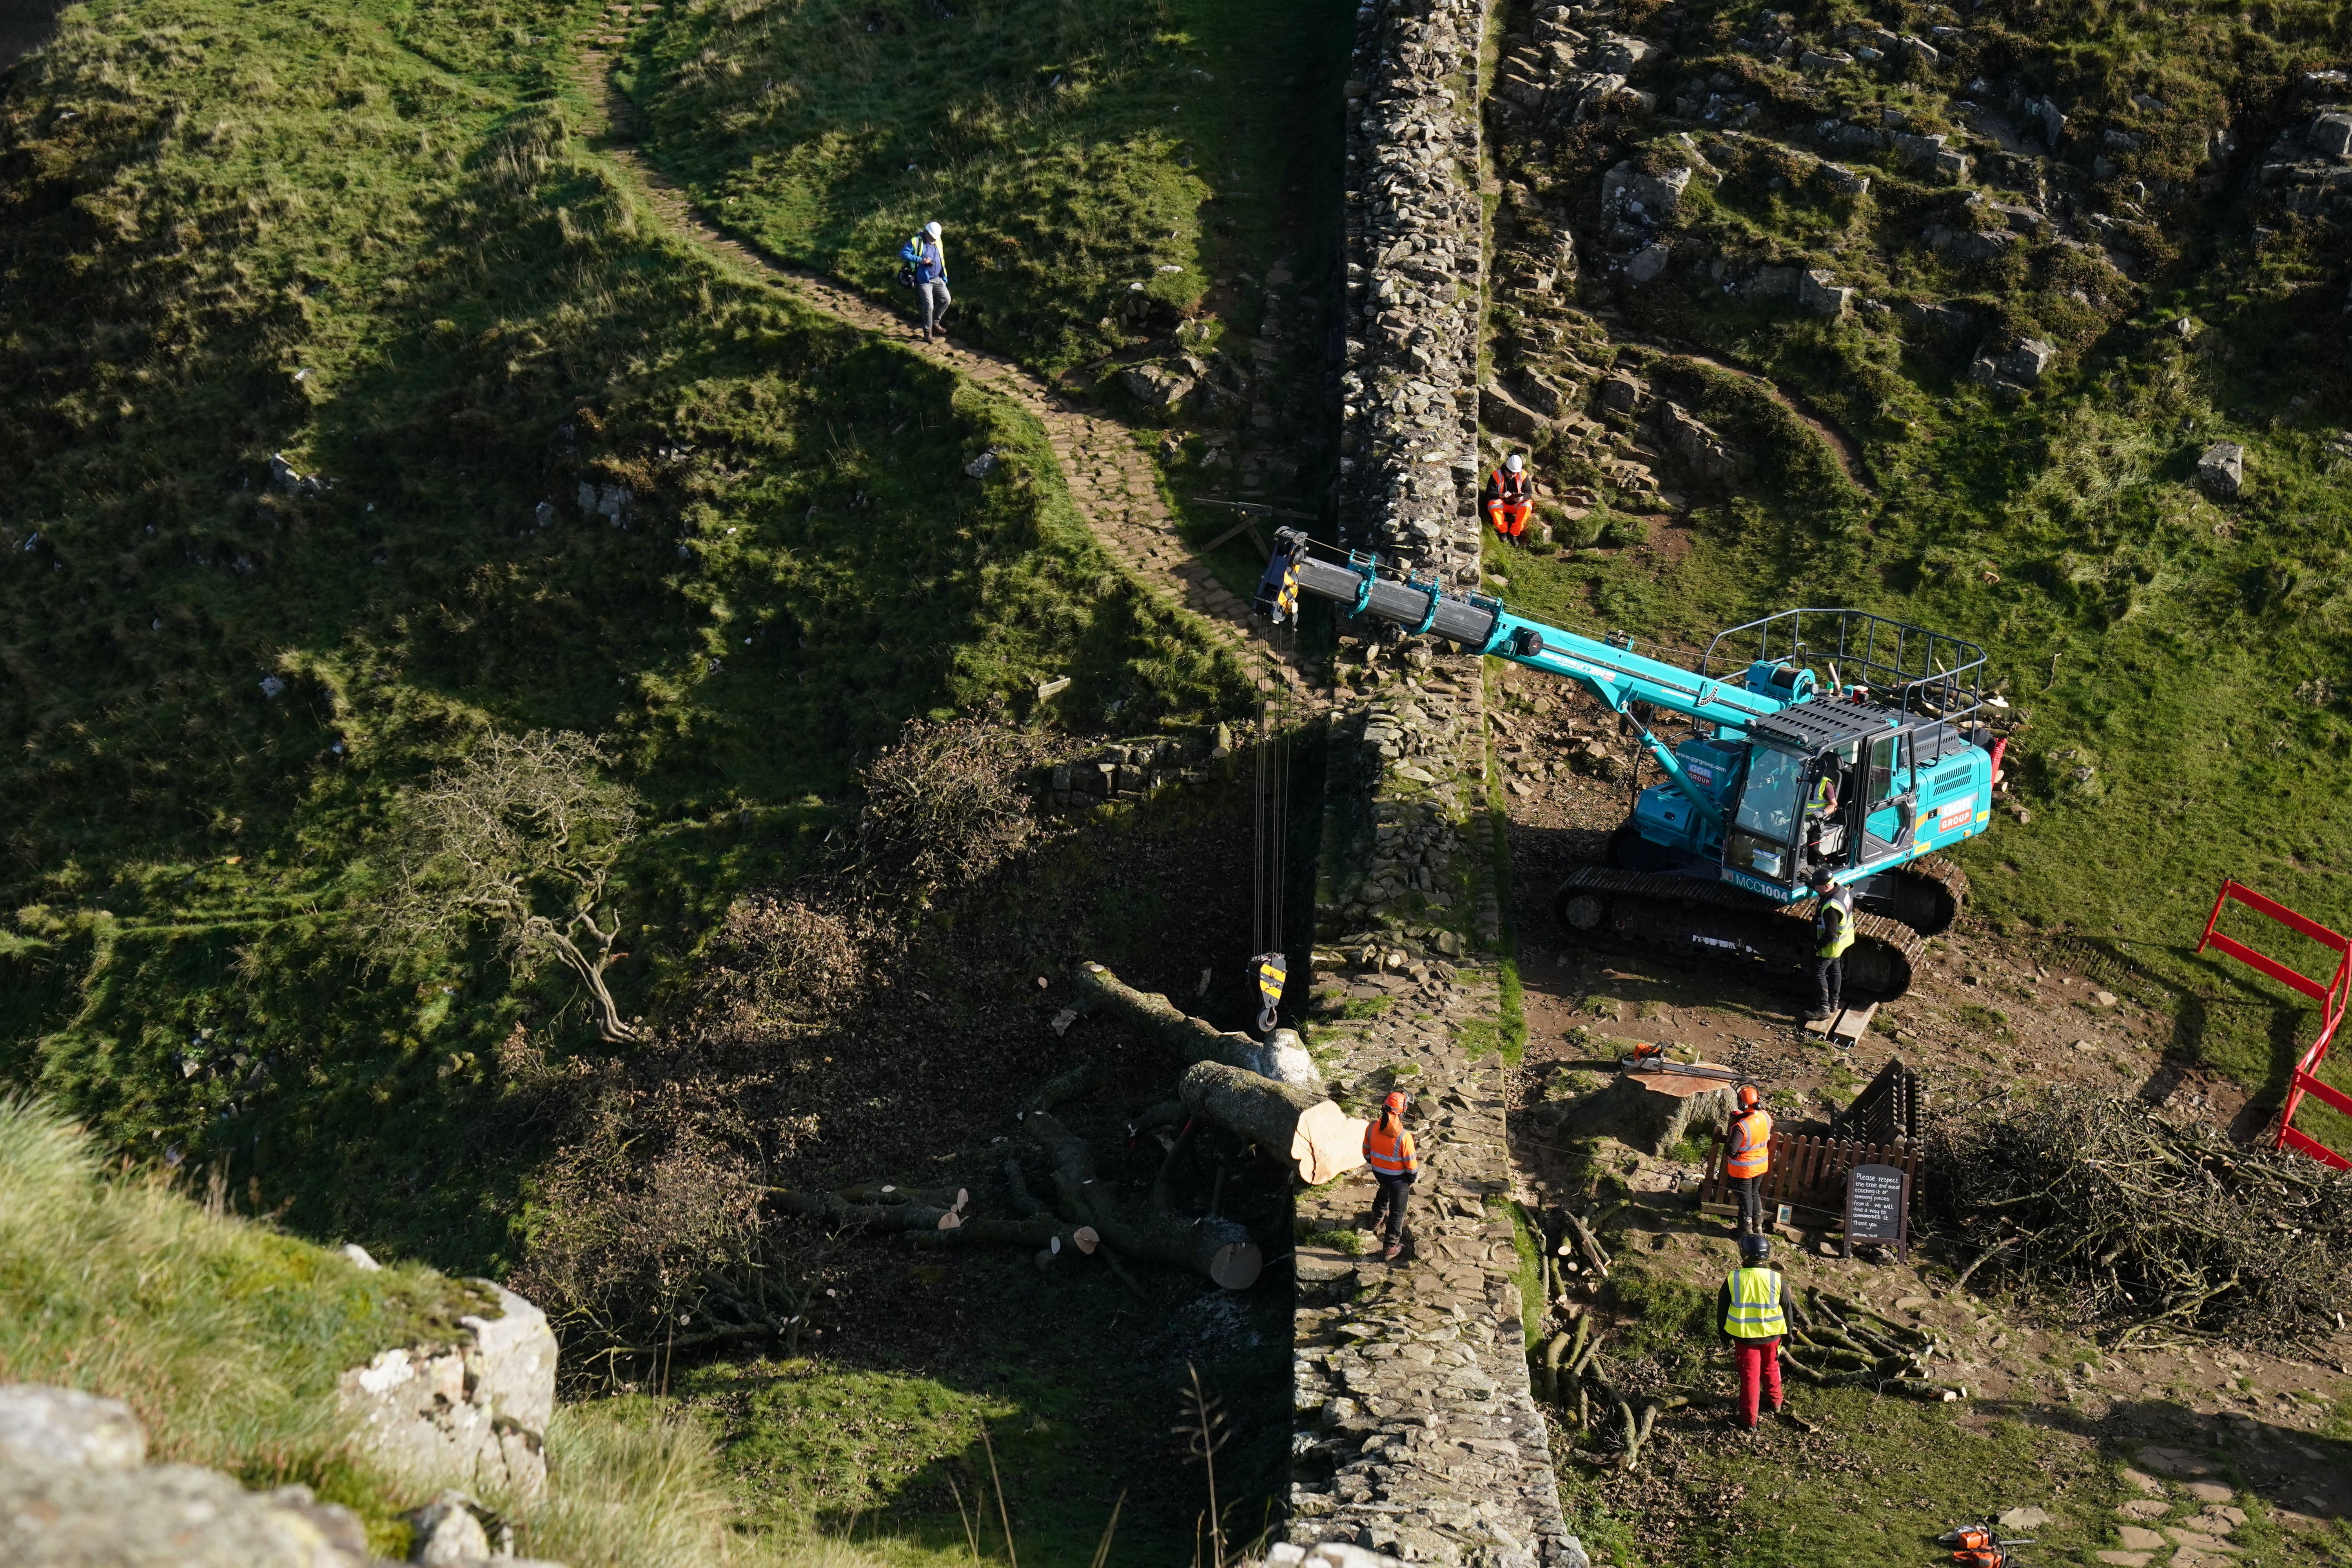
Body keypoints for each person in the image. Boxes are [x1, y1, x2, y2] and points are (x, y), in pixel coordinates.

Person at [1716, 1232, 1788, 1430]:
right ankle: (1776, 1403)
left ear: (1744, 1254)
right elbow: (1787, 1307)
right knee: (1772, 1367)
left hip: (1746, 1339)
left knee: (1750, 1377)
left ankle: (1749, 1421)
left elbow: (1722, 1309)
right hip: (1773, 1336)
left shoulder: (1734, 1278)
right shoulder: (1776, 1277)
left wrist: (1723, 1335)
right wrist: (1788, 1335)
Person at [1362, 1091, 1419, 1262]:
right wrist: (1410, 1181)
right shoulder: (1405, 1136)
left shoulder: (1372, 1127)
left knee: (1384, 1189)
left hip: (1380, 1173)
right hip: (1399, 1180)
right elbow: (1411, 1165)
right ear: (1403, 1111)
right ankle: (1391, 1248)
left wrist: (1380, 1166)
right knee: (1397, 1212)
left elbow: (1366, 1153)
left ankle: (1376, 1219)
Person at [1808, 866, 1856, 1025]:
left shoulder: (1831, 908)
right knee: (1836, 970)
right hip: (1843, 942)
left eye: (1817, 887)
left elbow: (1830, 934)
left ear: (1826, 886)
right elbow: (1824, 892)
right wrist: (1811, 884)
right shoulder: (1840, 890)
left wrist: (1818, 946)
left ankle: (1823, 1009)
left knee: (1818, 972)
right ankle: (1834, 1003)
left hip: (1831, 945)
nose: (1815, 889)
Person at [1725, 1083, 1772, 1238]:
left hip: (1744, 1169)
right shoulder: (1765, 1116)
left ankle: (1745, 1229)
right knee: (1754, 1193)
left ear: (1742, 1104)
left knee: (1746, 1198)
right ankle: (1758, 1225)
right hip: (1761, 1165)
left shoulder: (1741, 1127)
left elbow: (1731, 1151)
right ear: (1758, 1101)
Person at [1483, 452, 1534, 545]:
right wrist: (1501, 495)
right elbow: (1489, 494)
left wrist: (1523, 498)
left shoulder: (1523, 475)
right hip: (1501, 502)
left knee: (1527, 505)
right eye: (1511, 473)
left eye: (1515, 474)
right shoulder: (1496, 475)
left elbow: (1529, 492)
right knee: (1493, 505)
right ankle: (1503, 532)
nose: (1513, 476)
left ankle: (1515, 533)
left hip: (1516, 504)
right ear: (1506, 469)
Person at [912, 220, 951, 342]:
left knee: (946, 300)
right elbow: (903, 254)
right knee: (929, 306)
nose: (935, 240)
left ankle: (935, 322)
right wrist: (921, 260)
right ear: (927, 233)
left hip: (938, 278)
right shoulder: (916, 242)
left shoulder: (938, 241)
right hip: (925, 281)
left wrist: (944, 276)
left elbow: (941, 258)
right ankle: (927, 333)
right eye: (933, 237)